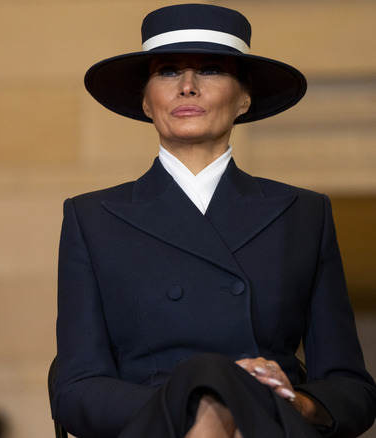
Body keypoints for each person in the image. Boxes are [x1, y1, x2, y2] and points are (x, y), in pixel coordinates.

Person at [52, 4, 376, 438]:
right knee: (207, 374)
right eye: (167, 72)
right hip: (154, 425)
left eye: (210, 69)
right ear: (147, 102)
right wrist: (198, 401)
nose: (187, 87)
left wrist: (292, 399)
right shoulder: (91, 217)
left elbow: (351, 390)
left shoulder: (305, 214)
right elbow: (76, 390)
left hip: (272, 423)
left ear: (244, 98)